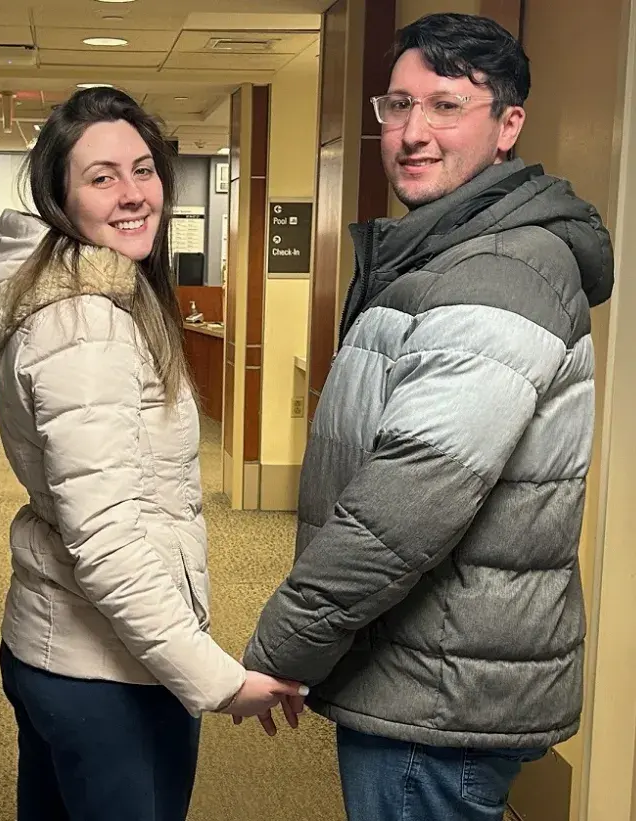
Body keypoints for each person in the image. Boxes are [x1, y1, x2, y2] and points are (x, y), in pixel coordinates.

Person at [242, 12, 614, 821]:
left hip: (440, 689)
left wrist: (286, 644)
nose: (413, 132)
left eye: (447, 106)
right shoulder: (443, 250)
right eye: (399, 105)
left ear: (508, 126)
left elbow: (408, 499)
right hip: (434, 669)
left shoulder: (501, 269)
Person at [0, 87, 307, 821]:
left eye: (143, 170)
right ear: (59, 199)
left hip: (62, 649)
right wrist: (218, 681)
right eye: (101, 177)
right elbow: (109, 539)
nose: (133, 194)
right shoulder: (86, 324)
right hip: (107, 673)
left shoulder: (96, 297)